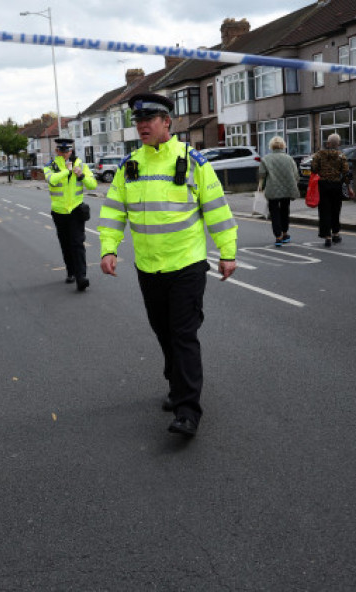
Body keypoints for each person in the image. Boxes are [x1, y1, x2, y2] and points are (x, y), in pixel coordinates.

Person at [98, 93, 238, 439]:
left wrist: (228, 252)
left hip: (187, 264)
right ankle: (177, 388)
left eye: (150, 119)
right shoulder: (129, 166)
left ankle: (188, 410)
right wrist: (108, 248)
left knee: (183, 334)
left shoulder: (193, 163)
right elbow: (115, 212)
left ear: (167, 122)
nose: (142, 125)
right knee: (163, 332)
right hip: (148, 267)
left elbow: (217, 209)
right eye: (138, 120)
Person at [44, 137, 97, 291]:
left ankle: (81, 277)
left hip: (76, 210)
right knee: (65, 243)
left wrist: (81, 175)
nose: (64, 153)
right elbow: (52, 180)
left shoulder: (81, 164)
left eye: (67, 151)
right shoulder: (51, 166)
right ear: (56, 151)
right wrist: (66, 171)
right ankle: (71, 271)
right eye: (61, 150)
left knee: (77, 243)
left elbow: (93, 185)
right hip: (59, 212)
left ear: (71, 150)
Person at [257, 136, 300, 247]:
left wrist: (260, 186)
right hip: (287, 188)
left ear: (271, 146)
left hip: (272, 189)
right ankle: (285, 233)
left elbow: (262, 174)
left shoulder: (266, 159)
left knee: (274, 213)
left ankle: (278, 236)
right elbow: (296, 174)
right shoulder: (289, 158)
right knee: (285, 210)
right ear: (283, 145)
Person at [309, 133, 350, 247]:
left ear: (328, 143)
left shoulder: (319, 155)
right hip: (336, 185)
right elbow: (346, 173)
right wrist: (349, 188)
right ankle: (336, 234)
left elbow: (313, 169)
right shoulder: (341, 156)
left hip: (323, 185)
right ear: (338, 144)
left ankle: (327, 237)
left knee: (324, 211)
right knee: (336, 210)